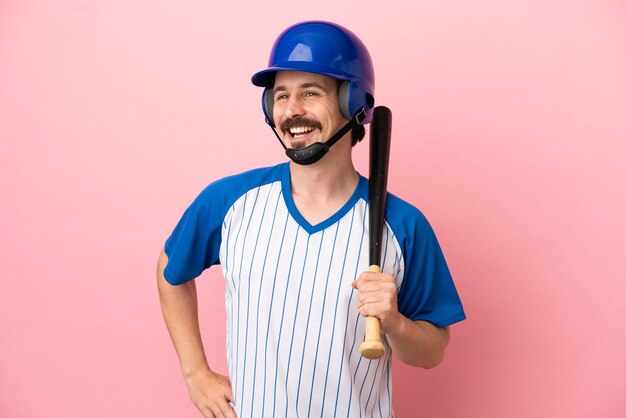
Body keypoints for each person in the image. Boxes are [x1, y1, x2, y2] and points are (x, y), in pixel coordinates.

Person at [157, 21, 465, 418]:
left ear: (354, 103)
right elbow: (170, 268)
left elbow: (432, 353)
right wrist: (195, 373)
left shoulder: (402, 225)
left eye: (311, 93)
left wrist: (395, 324)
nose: (291, 110)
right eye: (281, 95)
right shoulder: (229, 201)